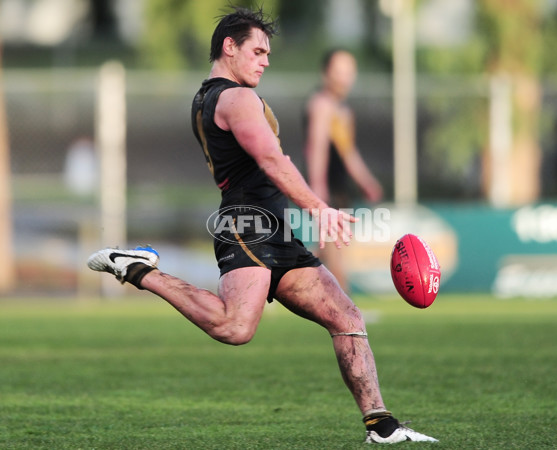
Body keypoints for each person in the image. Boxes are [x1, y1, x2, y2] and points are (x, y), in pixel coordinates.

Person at [87, 7, 436, 444]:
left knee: (346, 315)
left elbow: (271, 160)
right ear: (228, 47)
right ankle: (138, 268)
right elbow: (272, 161)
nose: (265, 60)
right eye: (257, 50)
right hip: (247, 225)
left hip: (274, 227)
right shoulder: (235, 98)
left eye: (268, 52)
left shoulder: (210, 97)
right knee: (236, 327)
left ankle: (381, 426)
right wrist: (319, 208)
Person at [304, 49, 383, 292]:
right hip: (325, 193)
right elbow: (316, 149)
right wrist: (318, 194)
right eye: (338, 71)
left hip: (338, 191)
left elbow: (348, 152)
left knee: (323, 254)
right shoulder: (321, 105)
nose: (344, 78)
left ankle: (272, 286)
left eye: (349, 72)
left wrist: (366, 182)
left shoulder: (344, 110)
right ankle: (347, 313)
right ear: (325, 73)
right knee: (335, 257)